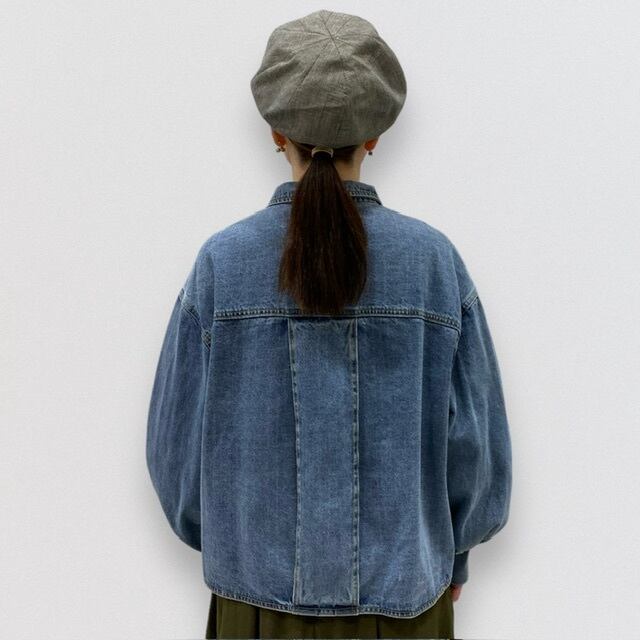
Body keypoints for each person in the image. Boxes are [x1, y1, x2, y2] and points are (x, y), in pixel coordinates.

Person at [146, 9, 512, 640]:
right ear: (374, 137)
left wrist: (239, 544)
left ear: (274, 132)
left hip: (254, 611)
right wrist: (453, 556)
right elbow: (476, 455)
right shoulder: (433, 264)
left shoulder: (221, 265)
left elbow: (175, 458)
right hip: (407, 610)